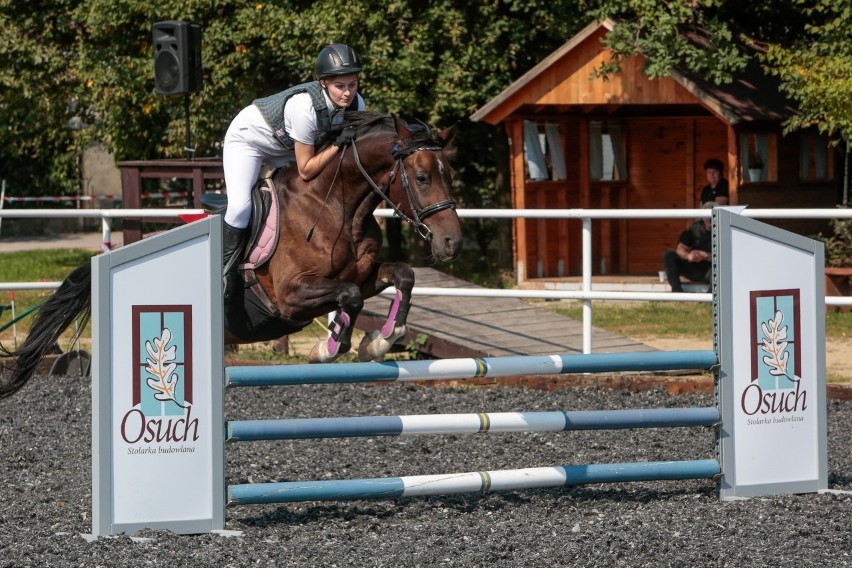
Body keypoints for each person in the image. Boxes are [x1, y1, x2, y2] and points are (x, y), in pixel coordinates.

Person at [221, 43, 366, 279]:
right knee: (240, 208)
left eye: (353, 84)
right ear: (323, 83)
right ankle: (226, 274)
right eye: (339, 86)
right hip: (249, 142)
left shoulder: (357, 104)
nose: (347, 93)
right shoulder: (305, 107)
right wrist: (338, 144)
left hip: (285, 148)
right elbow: (307, 170)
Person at [662, 202, 714, 292]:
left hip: (711, 272)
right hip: (692, 268)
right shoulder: (695, 228)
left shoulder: (723, 230)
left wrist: (705, 255)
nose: (710, 218)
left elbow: (726, 259)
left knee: (721, 267)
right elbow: (680, 249)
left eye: (713, 214)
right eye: (707, 214)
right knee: (669, 255)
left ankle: (710, 297)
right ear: (703, 216)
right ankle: (677, 291)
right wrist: (688, 256)